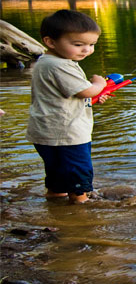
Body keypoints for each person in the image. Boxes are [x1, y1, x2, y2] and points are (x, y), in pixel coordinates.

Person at [27, 10, 110, 204]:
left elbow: (65, 97)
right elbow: (86, 91)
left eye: (91, 45)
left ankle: (55, 205)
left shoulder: (47, 61)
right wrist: (99, 84)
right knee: (78, 181)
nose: (86, 50)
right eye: (78, 45)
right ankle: (81, 217)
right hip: (68, 135)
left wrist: (94, 99)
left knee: (57, 180)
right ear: (50, 42)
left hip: (48, 132)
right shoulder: (59, 65)